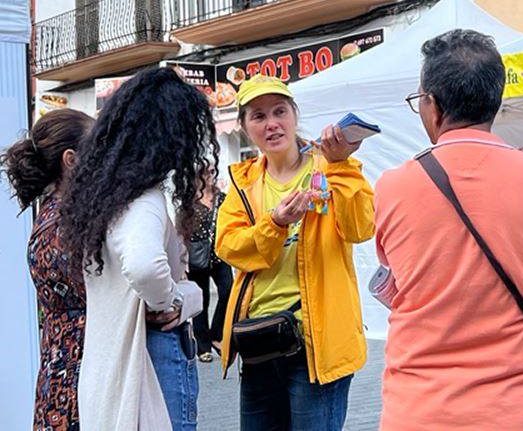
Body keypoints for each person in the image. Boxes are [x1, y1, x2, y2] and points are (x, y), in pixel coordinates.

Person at [375, 29, 523, 430]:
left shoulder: (393, 186)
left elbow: (397, 278)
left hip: (418, 408)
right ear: (494, 100)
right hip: (520, 410)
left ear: (433, 105)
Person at [216, 75, 374, 431]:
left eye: (279, 111)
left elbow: (360, 228)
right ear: (244, 127)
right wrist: (275, 222)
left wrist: (341, 166)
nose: (271, 124)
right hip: (259, 341)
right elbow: (229, 247)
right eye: (258, 116)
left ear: (294, 115)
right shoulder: (244, 183)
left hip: (316, 345)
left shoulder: (329, 166)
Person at [62, 68, 213, 431]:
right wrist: (172, 299)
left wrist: (185, 297)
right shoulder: (144, 200)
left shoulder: (102, 201)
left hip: (111, 364)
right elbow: (145, 266)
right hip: (152, 356)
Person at [0, 109, 93, 430]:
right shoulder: (71, 222)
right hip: (81, 367)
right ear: (71, 160)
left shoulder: (50, 214)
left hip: (58, 366)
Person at [187, 181, 232, 363]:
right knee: (202, 301)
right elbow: (182, 229)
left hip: (219, 254)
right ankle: (203, 347)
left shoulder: (222, 198)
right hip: (198, 256)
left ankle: (216, 334)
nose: (211, 176)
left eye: (213, 171)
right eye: (208, 172)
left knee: (228, 290)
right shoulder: (189, 199)